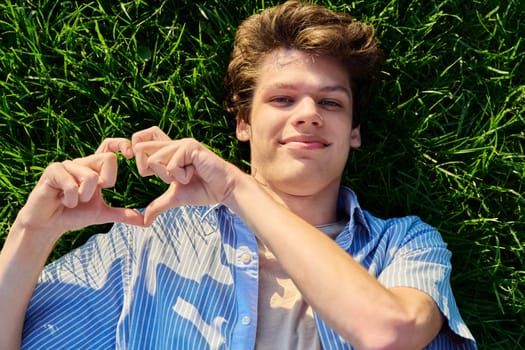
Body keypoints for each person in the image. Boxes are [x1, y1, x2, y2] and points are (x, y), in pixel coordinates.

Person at [0, 1, 476, 349]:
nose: (309, 114)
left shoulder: (404, 244)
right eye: (282, 99)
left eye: (331, 102)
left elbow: (389, 332)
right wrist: (32, 233)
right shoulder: (152, 243)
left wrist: (235, 187)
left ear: (353, 132)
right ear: (243, 124)